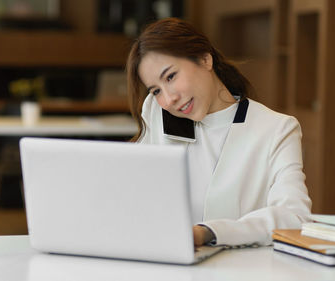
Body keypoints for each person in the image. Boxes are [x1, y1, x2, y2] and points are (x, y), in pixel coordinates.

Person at [126, 17, 312, 247]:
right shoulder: (157, 112)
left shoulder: (276, 129)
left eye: (171, 76)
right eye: (156, 90)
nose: (169, 98)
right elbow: (132, 192)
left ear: (205, 59)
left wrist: (206, 233)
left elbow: (295, 217)